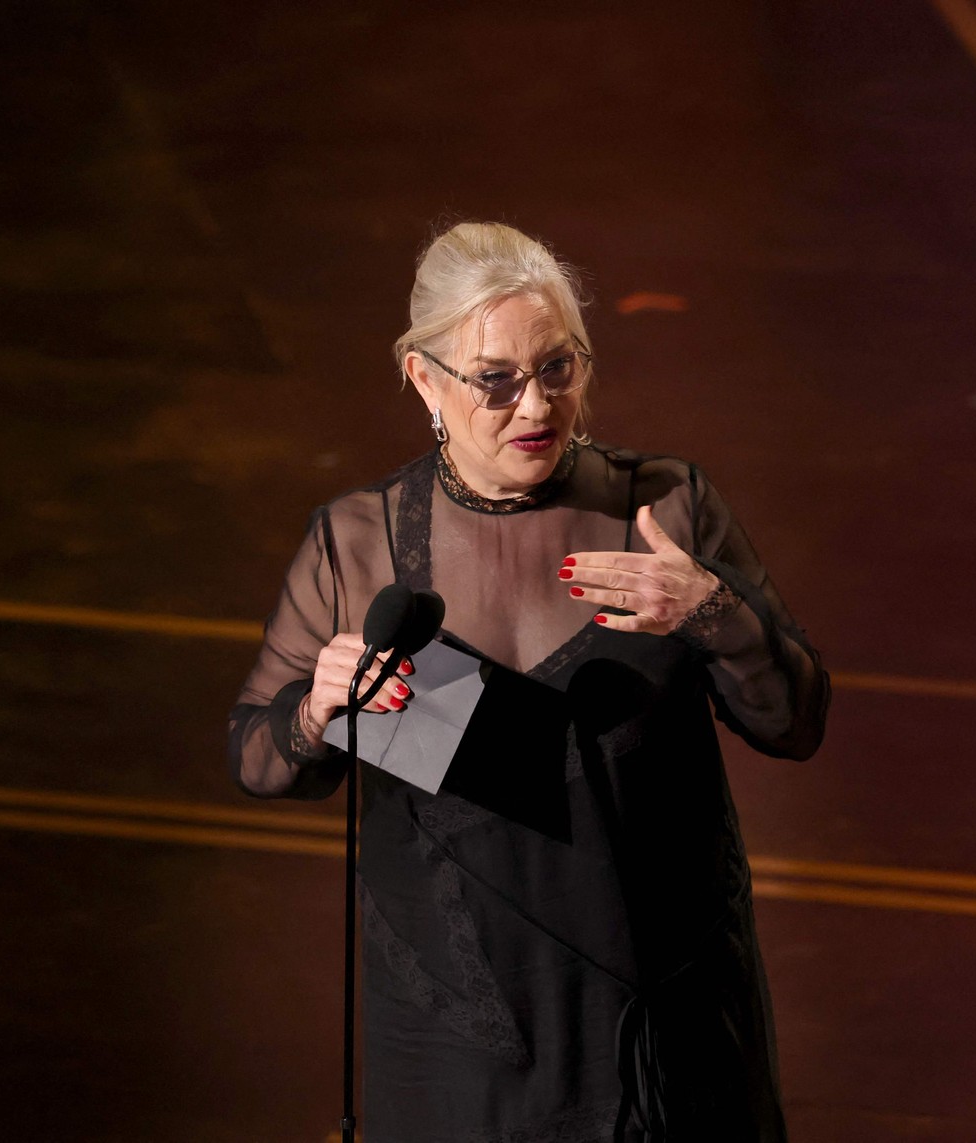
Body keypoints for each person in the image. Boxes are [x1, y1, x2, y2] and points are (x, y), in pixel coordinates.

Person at [228, 221, 829, 1142]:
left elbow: (795, 719)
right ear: (424, 378)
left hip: (666, 1036)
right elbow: (258, 757)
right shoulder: (357, 547)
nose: (537, 404)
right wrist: (314, 712)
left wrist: (712, 609)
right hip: (460, 1053)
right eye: (496, 379)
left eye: (558, 367)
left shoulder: (664, 508)